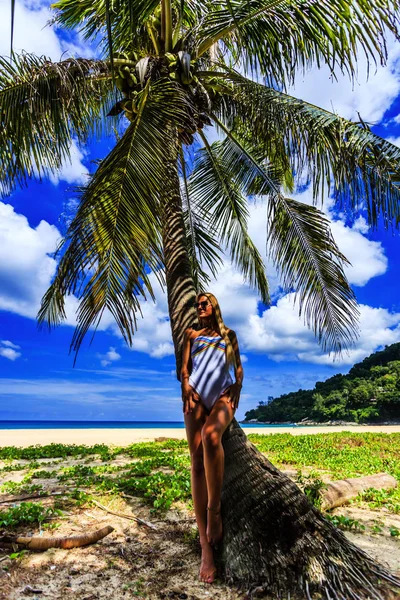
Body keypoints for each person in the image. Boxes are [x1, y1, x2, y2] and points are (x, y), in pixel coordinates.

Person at [180, 292, 244, 584]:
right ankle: (206, 550)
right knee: (195, 461)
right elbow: (184, 370)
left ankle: (214, 511)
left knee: (211, 436)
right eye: (197, 305)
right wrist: (187, 386)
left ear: (215, 305)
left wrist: (236, 391)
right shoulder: (191, 334)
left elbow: (239, 369)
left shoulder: (229, 334)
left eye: (204, 303)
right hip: (196, 395)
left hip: (221, 394)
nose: (200, 307)